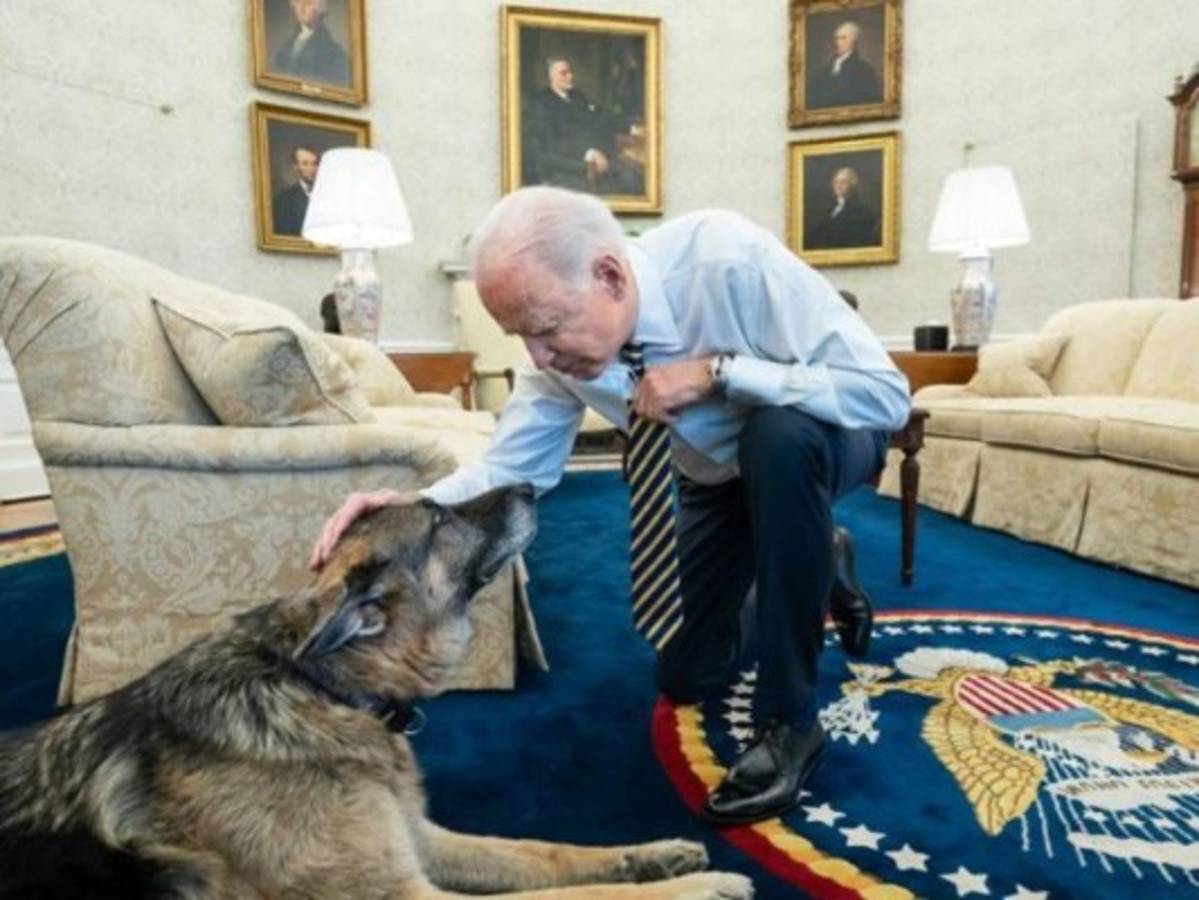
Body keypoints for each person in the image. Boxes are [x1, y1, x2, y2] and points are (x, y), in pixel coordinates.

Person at [310, 187, 910, 827]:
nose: (538, 357)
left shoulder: (728, 261)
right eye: (521, 337)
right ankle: (821, 558)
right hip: (716, 478)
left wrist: (722, 371)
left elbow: (886, 396)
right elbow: (514, 469)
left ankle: (789, 721)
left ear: (610, 276)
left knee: (778, 437)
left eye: (545, 329)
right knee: (686, 675)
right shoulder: (555, 359)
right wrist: (416, 505)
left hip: (824, 439)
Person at [524, 55, 640, 195]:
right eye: (564, 73)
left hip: (595, 157)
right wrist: (588, 152)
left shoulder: (576, 96)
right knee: (623, 182)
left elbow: (599, 117)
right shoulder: (541, 103)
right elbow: (550, 144)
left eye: (570, 71)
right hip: (567, 168)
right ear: (551, 77)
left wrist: (629, 128)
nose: (571, 76)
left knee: (631, 176)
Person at [270, 0, 350, 87]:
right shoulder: (286, 47)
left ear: (320, 8)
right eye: (298, 2)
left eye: (308, 3)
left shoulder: (334, 53)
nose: (301, 8)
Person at [807, 20, 881, 109]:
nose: (837, 43)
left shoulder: (864, 69)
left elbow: (870, 102)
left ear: (854, 42)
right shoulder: (825, 69)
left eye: (843, 38)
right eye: (836, 38)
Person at [805, 166, 880, 249]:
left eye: (843, 182)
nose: (838, 186)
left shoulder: (863, 211)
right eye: (836, 182)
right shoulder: (827, 208)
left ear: (853, 185)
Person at [272, 145, 320, 237]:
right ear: (296, 167)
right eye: (305, 164)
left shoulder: (330, 196)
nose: (312, 169)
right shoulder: (283, 200)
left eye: (315, 164)